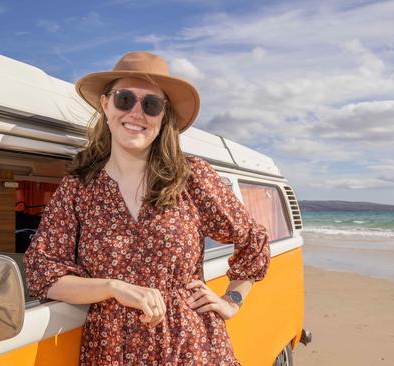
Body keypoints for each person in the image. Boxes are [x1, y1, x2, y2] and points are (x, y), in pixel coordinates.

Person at [24, 51, 270, 365]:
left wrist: (231, 301)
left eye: (151, 105)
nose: (136, 113)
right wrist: (113, 287)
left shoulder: (192, 178)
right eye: (125, 99)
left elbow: (253, 240)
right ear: (105, 104)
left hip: (191, 347)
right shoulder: (78, 188)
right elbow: (44, 273)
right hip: (113, 351)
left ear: (164, 116)